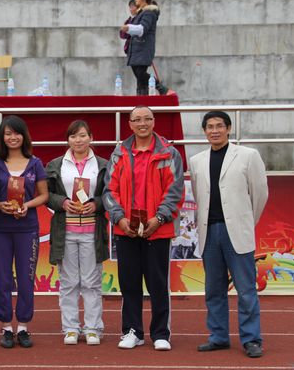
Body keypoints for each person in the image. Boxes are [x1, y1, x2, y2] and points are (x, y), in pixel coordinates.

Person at [103, 105, 184, 350]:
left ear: (154, 121)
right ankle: (132, 331)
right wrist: (120, 219)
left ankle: (161, 333)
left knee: (158, 283)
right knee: (129, 283)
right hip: (126, 229)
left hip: (158, 229)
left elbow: (175, 191)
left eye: (147, 119)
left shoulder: (169, 153)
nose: (142, 124)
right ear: (129, 124)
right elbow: (109, 190)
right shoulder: (119, 153)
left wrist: (158, 219)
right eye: (137, 119)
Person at [188, 111, 268, 358]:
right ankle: (219, 336)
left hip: (237, 232)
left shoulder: (248, 156)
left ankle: (251, 339)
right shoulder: (197, 160)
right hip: (209, 232)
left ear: (229, 128)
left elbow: (260, 194)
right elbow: (198, 194)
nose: (214, 131)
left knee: (246, 289)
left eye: (219, 126)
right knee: (214, 289)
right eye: (210, 127)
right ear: (204, 131)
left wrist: (246, 222)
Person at [45, 120, 109, 346]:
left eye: (82, 135)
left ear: (91, 137)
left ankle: (93, 328)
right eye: (73, 136)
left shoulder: (103, 165)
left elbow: (110, 194)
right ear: (68, 140)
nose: (78, 140)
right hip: (66, 232)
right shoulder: (56, 165)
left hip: (92, 232)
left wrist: (96, 204)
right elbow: (46, 194)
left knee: (91, 282)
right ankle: (70, 328)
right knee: (68, 282)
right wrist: (62, 202)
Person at [0, 115, 48, 349]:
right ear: (2, 137)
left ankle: (23, 327)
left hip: (27, 229)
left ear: (24, 136)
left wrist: (27, 206)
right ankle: (6, 327)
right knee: (2, 278)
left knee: (26, 278)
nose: (12, 137)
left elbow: (44, 195)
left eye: (17, 133)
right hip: (1, 229)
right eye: (8, 133)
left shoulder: (35, 163)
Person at [120, 0, 159, 95]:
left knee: (141, 74)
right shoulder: (140, 14)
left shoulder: (149, 13)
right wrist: (127, 29)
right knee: (140, 79)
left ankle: (160, 87)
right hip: (136, 50)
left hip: (143, 49)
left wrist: (128, 27)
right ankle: (141, 98)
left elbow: (142, 29)